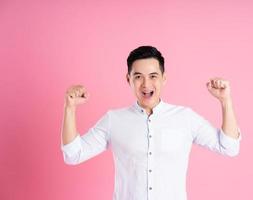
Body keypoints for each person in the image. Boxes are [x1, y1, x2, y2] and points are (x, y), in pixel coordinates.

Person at [61, 46, 241, 200]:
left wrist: (226, 101)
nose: (146, 84)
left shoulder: (185, 118)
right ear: (128, 79)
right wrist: (70, 108)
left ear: (164, 78)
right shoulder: (113, 120)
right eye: (138, 76)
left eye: (153, 76)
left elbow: (228, 147)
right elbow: (73, 155)